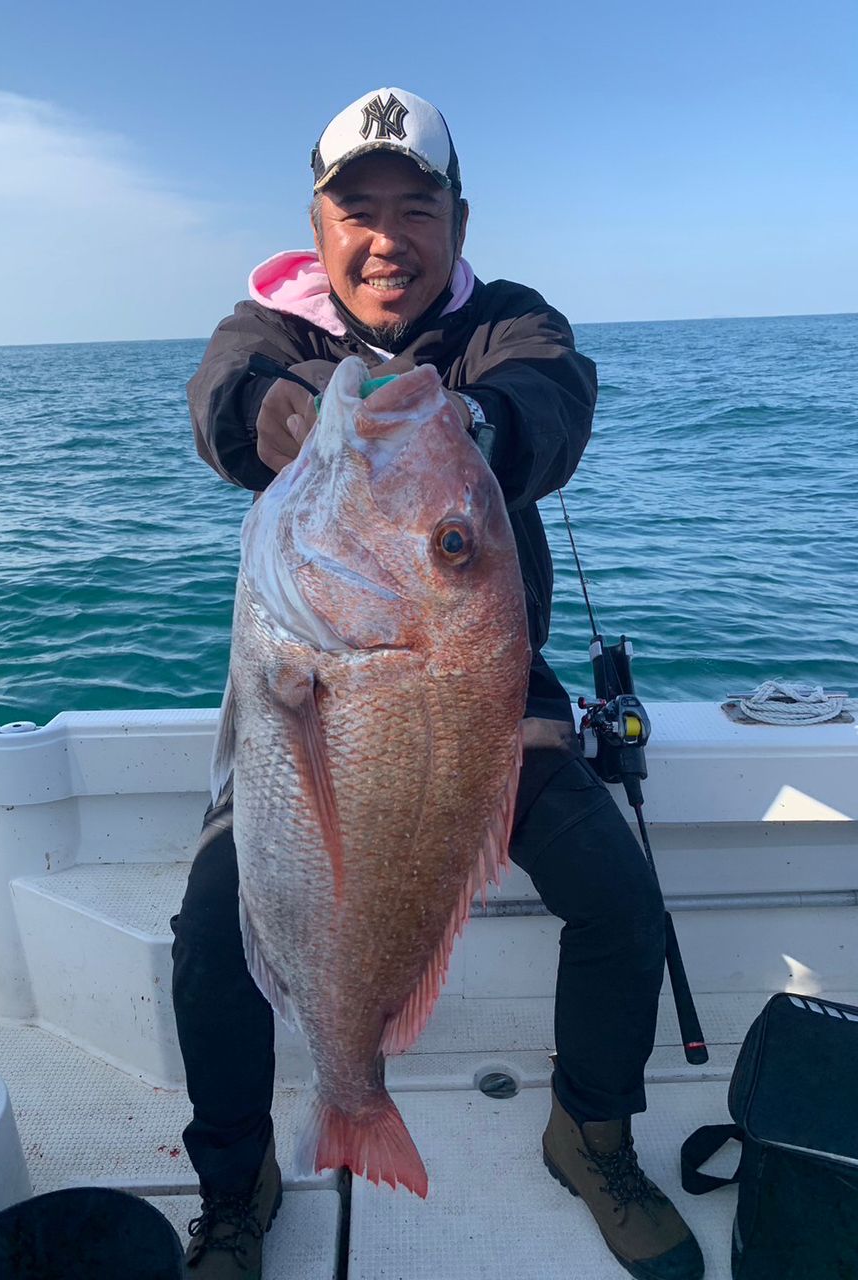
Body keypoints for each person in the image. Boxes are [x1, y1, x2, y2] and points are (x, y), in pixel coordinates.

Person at [173, 87, 704, 1280]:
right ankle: (233, 1185)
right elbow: (221, 399)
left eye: (415, 207)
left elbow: (552, 405)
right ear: (317, 227)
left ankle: (594, 1134)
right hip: (313, 686)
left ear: (459, 222)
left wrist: (462, 424)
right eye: (356, 209)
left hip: (490, 694)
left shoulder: (511, 324)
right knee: (211, 934)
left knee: (621, 901)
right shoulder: (270, 333)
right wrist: (262, 411)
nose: (385, 236)